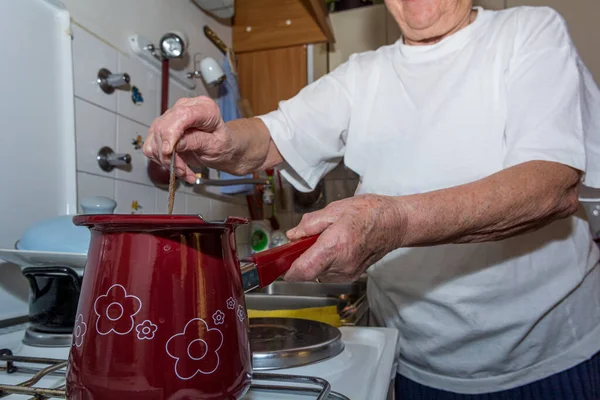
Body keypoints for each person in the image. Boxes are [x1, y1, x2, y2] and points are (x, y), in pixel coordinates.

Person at [144, 0, 600, 398]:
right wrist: (221, 138)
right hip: (415, 362)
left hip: (553, 357)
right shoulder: (364, 75)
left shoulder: (529, 32)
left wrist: (393, 222)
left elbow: (551, 186)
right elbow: (266, 138)